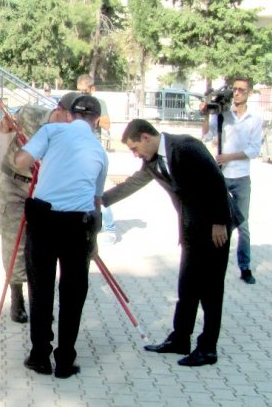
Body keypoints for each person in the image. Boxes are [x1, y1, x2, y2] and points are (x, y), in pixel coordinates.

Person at [102, 119, 237, 367]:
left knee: (210, 290)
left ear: (145, 137)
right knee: (187, 288)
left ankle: (208, 349)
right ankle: (180, 339)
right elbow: (134, 182)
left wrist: (219, 222)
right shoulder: (153, 160)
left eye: (134, 148)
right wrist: (101, 200)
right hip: (191, 230)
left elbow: (216, 181)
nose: (135, 154)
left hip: (215, 228)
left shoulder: (186, 147)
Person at [14, 95, 108, 379]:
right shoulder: (100, 152)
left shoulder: (52, 131)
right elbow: (96, 200)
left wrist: (33, 155)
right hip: (78, 226)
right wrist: (94, 240)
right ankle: (65, 360)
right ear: (96, 121)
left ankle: (40, 356)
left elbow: (21, 162)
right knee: (73, 293)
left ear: (69, 115)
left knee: (40, 289)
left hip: (43, 220)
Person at [0, 92, 79, 323]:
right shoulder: (32, 113)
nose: (73, 122)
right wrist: (6, 124)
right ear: (60, 109)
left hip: (43, 188)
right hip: (14, 182)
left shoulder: (73, 134)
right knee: (14, 239)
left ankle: (39, 303)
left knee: (40, 246)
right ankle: (16, 297)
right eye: (71, 116)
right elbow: (4, 128)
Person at [201, 77, 262, 285]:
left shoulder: (255, 118)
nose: (237, 93)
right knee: (215, 222)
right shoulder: (222, 115)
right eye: (235, 89)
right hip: (222, 176)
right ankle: (211, 263)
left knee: (242, 224)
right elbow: (207, 137)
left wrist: (229, 157)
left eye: (242, 90)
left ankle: (245, 267)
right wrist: (206, 115)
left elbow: (254, 150)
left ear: (249, 93)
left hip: (241, 176)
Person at [76, 74, 117, 244]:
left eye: (85, 91)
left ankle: (109, 228)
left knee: (98, 191)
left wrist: (92, 117)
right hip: (78, 150)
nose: (82, 94)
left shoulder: (98, 103)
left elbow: (107, 123)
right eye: (80, 91)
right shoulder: (76, 102)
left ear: (93, 89)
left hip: (93, 151)